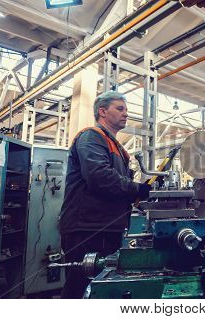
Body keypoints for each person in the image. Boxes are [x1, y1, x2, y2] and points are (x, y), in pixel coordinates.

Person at [58, 91, 151, 298]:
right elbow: (99, 176)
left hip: (106, 226)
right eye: (120, 109)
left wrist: (138, 191)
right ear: (102, 111)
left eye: (126, 110)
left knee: (100, 286)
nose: (126, 114)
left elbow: (116, 184)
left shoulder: (115, 145)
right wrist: (136, 189)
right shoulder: (91, 136)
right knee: (79, 287)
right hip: (87, 228)